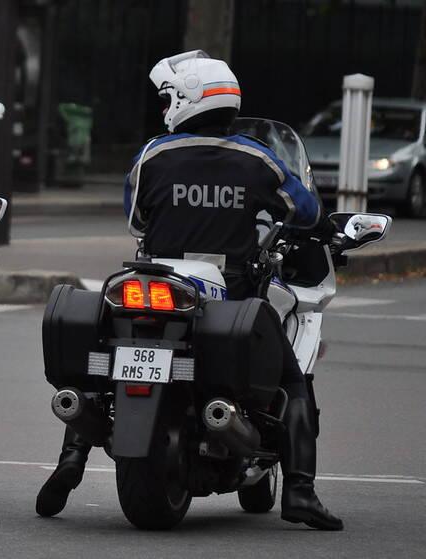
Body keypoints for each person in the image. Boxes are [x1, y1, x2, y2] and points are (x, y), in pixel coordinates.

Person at [36, 50, 343, 531]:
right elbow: (304, 214)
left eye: (168, 98)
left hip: (151, 281)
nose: (164, 108)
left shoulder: (154, 154)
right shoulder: (258, 158)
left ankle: (71, 461)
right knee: (293, 380)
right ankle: (301, 492)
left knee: (106, 356)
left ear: (187, 100)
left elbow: (135, 218)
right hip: (232, 290)